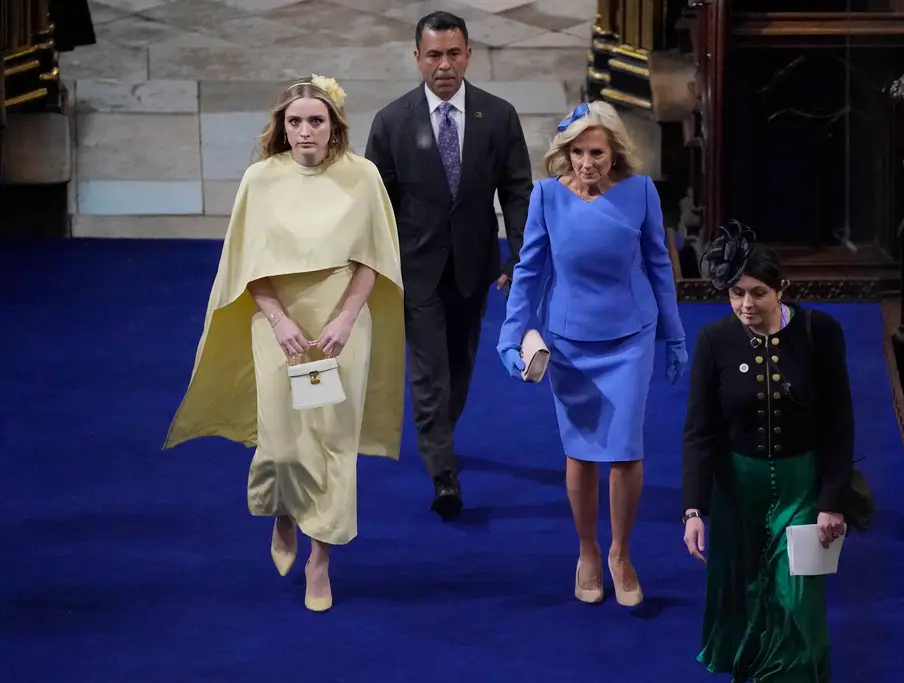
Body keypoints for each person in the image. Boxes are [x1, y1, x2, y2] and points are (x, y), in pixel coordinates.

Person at [163, 75, 405, 613]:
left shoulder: (362, 177)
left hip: (341, 325)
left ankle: (320, 560)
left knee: (332, 439)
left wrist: (346, 319)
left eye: (315, 120)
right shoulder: (260, 179)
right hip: (279, 323)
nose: (304, 131)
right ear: (281, 127)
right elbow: (244, 263)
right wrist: (277, 321)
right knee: (284, 439)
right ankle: (284, 510)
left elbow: (376, 259)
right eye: (294, 121)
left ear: (334, 125)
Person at [496, 101, 689, 607]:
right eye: (577, 152)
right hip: (569, 341)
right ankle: (587, 550)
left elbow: (659, 266)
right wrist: (509, 335)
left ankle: (620, 554)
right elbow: (529, 273)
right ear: (564, 153)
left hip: (630, 337)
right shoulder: (544, 198)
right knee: (580, 452)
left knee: (625, 449)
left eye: (597, 152)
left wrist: (675, 333)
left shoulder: (641, 193)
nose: (587, 162)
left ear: (615, 152)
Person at [364, 10, 533, 520]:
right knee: (430, 370)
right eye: (433, 55)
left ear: (468, 56)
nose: (444, 64)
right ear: (417, 58)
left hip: (474, 265)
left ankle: (439, 435)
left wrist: (521, 256)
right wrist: (373, 266)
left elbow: (518, 190)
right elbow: (376, 203)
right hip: (416, 268)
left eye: (453, 53)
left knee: (459, 366)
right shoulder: (392, 122)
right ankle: (443, 474)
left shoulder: (498, 116)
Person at [681, 224, 854, 682]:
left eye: (758, 292)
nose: (746, 305)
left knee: (797, 603)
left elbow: (840, 423)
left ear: (783, 289)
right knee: (747, 602)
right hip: (737, 495)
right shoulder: (714, 340)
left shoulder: (821, 332)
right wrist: (694, 510)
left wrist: (833, 501)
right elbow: (699, 432)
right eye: (736, 293)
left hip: (803, 490)